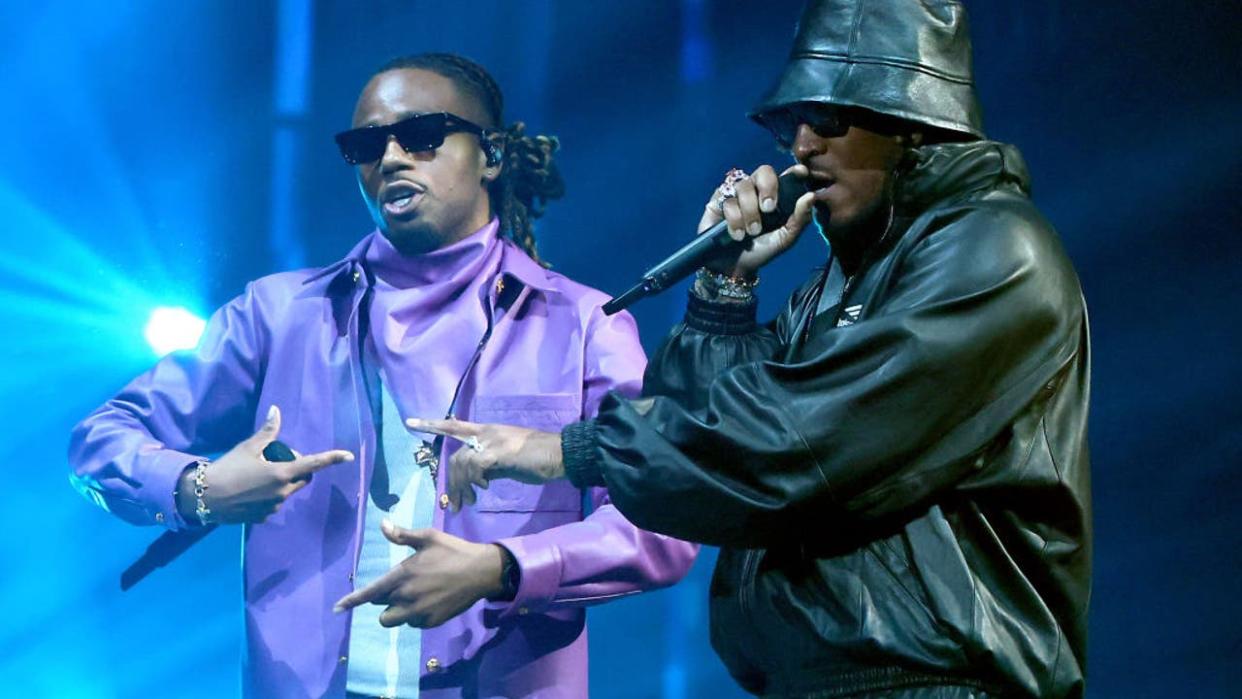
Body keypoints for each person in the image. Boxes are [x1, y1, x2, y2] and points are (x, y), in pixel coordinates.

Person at [409, 2, 1092, 697]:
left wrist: (568, 450)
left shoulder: (996, 252)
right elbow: (705, 471)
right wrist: (723, 286)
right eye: (787, 124)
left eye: (827, 117)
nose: (800, 147)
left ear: (911, 122)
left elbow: (794, 444)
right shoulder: (836, 287)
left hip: (935, 685)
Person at [69, 52, 696, 699]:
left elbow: (666, 517)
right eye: (366, 144)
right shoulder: (279, 315)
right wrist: (200, 487)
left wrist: (505, 567)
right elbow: (101, 438)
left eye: (422, 135)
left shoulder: (582, 324)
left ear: (492, 156)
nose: (391, 157)